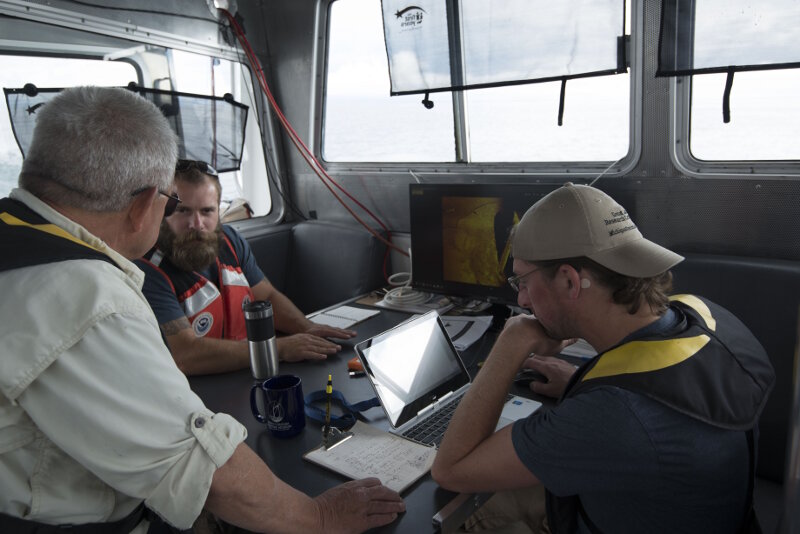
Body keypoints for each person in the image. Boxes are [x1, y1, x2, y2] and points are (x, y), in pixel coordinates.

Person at [0, 86, 404, 533]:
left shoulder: (17, 242)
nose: (192, 221)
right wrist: (319, 516)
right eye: (172, 206)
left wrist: (305, 330)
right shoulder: (87, 296)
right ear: (141, 207)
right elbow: (202, 467)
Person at [431, 183, 774, 533]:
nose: (521, 301)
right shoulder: (706, 316)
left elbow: (451, 470)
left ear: (569, 281)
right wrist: (581, 382)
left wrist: (512, 341)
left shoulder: (613, 414)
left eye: (522, 281)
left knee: (457, 516)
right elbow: (666, 401)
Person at [135, 160, 356, 375]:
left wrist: (306, 329)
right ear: (163, 210)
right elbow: (185, 355)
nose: (197, 224)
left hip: (243, 370)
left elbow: (266, 295)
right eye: (183, 211)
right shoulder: (146, 270)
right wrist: (278, 349)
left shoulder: (230, 241)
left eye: (207, 211)